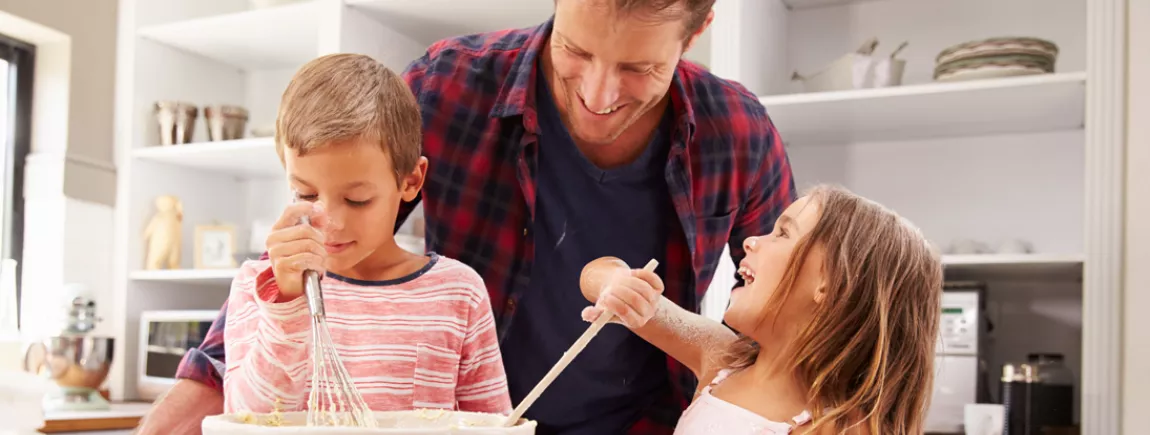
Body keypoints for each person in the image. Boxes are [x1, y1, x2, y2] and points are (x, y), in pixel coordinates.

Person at [135, 0, 795, 433]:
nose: (598, 93)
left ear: (697, 29)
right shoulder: (445, 89)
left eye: (638, 67)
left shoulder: (737, 132)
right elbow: (312, 258)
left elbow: (795, 332)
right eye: (577, 52)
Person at [219, 53, 511, 416]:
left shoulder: (459, 293)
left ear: (411, 181)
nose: (330, 221)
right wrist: (287, 308)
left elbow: (494, 424)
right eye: (306, 195)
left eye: (357, 200)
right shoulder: (258, 288)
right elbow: (249, 419)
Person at [578, 184, 943, 435]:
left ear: (833, 283)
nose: (751, 240)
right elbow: (595, 273)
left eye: (783, 233)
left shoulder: (834, 427)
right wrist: (616, 285)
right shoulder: (722, 359)